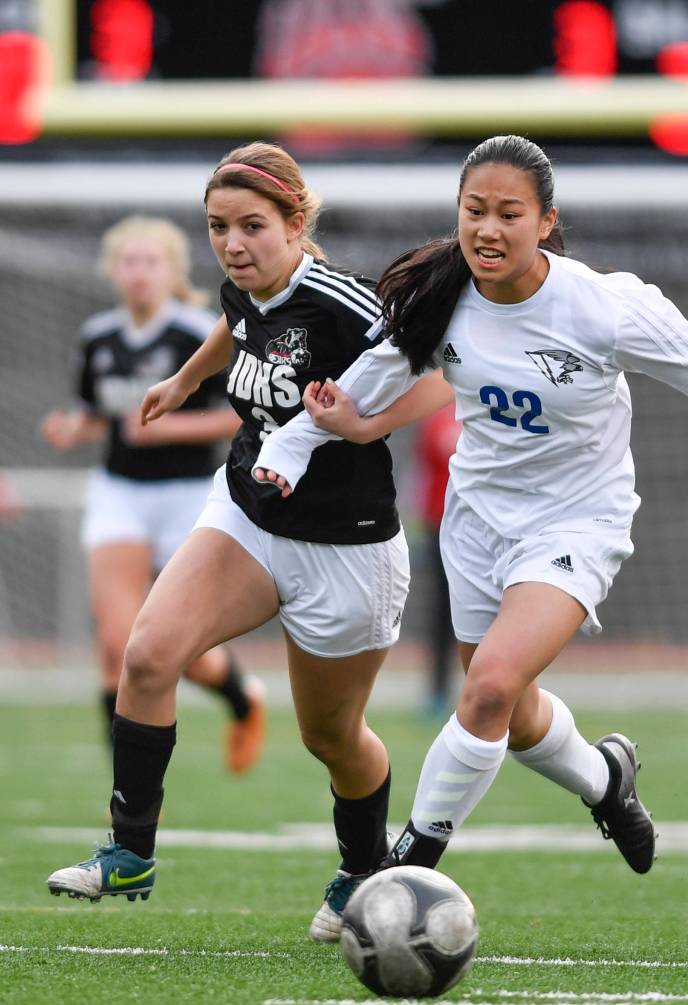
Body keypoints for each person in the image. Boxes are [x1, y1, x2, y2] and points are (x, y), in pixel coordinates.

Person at [250, 134, 688, 920]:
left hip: (576, 522)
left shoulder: (602, 304)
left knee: (488, 687)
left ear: (545, 221)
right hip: (475, 522)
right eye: (473, 211)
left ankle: (399, 871)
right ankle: (606, 782)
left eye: (507, 214)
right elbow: (365, 388)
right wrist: (295, 441)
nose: (487, 229)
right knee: (506, 705)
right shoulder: (438, 301)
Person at [45, 144, 423, 945]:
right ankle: (129, 851)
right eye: (218, 227)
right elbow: (238, 322)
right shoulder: (244, 283)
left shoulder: (342, 301)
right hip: (248, 513)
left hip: (347, 549)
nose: (233, 244)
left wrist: (368, 421)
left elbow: (436, 369)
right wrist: (183, 381)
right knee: (147, 655)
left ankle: (364, 866)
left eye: (252, 226)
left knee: (332, 737)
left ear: (297, 221)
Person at [40, 215, 266, 772]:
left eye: (150, 261)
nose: (138, 273)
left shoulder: (197, 334)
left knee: (178, 650)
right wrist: (75, 426)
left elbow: (241, 416)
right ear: (112, 271)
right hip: (120, 492)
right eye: (128, 262)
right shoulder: (98, 338)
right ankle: (128, 800)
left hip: (190, 496)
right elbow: (98, 415)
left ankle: (243, 699)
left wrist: (170, 428)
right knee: (118, 648)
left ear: (172, 271)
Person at [413, 403, 461, 717]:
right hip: (440, 528)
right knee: (443, 615)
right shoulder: (437, 420)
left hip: (487, 527)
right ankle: (438, 693)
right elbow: (422, 475)